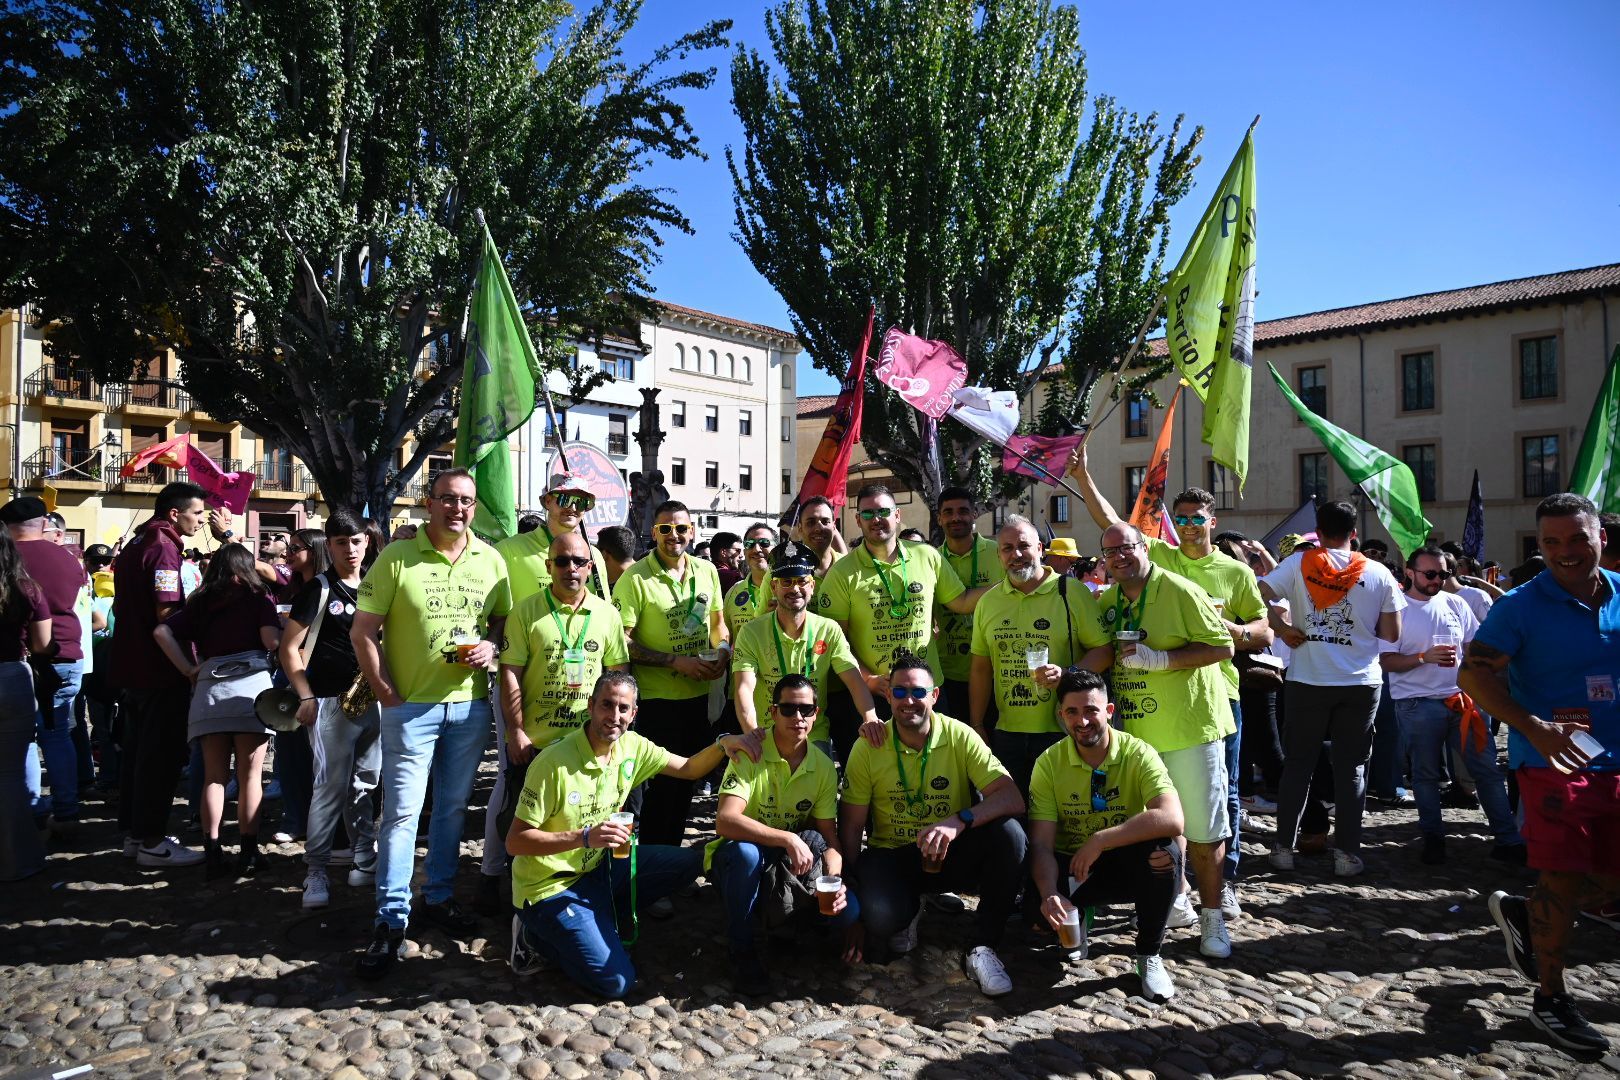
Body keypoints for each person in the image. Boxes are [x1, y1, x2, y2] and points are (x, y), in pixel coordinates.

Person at [1068, 454, 1274, 916]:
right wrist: (1082, 475)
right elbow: (1113, 524)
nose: (1187, 525)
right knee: (1162, 815)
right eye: (1178, 519)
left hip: (1206, 703)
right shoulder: (1154, 561)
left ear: (1211, 520)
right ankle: (1176, 890)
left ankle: (1218, 898)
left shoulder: (1205, 578)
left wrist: (1168, 655)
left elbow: (1251, 636)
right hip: (1141, 721)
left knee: (1215, 806)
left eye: (1195, 518)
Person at [1462, 494, 1620, 1052]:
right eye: (1551, 542)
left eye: (1577, 539)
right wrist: (1534, 728)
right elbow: (1474, 676)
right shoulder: (1521, 606)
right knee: (1566, 875)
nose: (1565, 553)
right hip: (1553, 763)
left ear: (1600, 535)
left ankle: (1527, 917)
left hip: (1616, 759)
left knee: (1610, 882)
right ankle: (1551, 999)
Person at [506, 670, 763, 996]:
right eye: (606, 705)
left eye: (623, 708)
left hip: (599, 868)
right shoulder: (553, 763)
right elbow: (515, 842)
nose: (614, 716)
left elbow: (689, 768)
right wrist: (586, 837)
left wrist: (724, 743)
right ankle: (535, 939)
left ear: (634, 713)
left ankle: (600, 918)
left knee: (688, 864)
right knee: (616, 983)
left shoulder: (632, 746)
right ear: (591, 706)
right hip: (549, 887)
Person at [350, 468, 511, 978]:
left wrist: (491, 646)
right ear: (428, 503)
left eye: (465, 501)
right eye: (447, 499)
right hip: (411, 709)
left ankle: (438, 899)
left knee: (451, 811)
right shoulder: (397, 557)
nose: (457, 509)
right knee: (401, 814)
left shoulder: (491, 560)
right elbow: (363, 632)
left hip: (470, 706)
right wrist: (386, 694)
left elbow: (502, 623)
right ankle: (390, 920)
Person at [839, 656, 1027, 996]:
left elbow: (1011, 796)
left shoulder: (960, 735)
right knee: (882, 919)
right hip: (894, 852)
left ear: (935, 696)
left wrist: (960, 821)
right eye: (899, 691)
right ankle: (908, 908)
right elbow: (851, 826)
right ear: (888, 697)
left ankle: (982, 946)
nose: (908, 700)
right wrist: (853, 903)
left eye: (917, 691)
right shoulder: (869, 744)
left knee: (1010, 835)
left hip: (950, 849)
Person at [1095, 522, 1236, 957]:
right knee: (1157, 828)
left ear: (1146, 548)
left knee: (1204, 832)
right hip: (1138, 735)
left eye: (1128, 548)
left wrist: (1163, 660)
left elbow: (1223, 646)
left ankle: (1213, 920)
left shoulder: (1178, 589)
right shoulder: (1111, 600)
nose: (1120, 557)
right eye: (1111, 551)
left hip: (1190, 730)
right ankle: (1174, 900)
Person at [1260, 501, 1404, 878]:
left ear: (1318, 532)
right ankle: (1347, 854)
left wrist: (1282, 625)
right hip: (1360, 682)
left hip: (1308, 679)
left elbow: (1258, 590)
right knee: (1352, 769)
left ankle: (1283, 849)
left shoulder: (1299, 563)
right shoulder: (1378, 572)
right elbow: (1392, 634)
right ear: (1354, 534)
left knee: (1298, 766)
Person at [1031, 670, 1186, 1002]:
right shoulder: (1048, 762)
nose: (1082, 721)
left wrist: (1100, 840)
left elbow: (1172, 818)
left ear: (1110, 711)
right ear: (1061, 715)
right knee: (1032, 913)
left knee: (1165, 853)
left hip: (1119, 861)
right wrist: (1048, 894)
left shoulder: (1138, 752)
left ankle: (1148, 955)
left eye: (1091, 710)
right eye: (1072, 712)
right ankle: (1076, 911)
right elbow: (1042, 844)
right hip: (1070, 867)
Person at [709, 675, 858, 994]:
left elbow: (829, 839)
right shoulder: (751, 751)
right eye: (788, 709)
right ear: (773, 712)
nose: (798, 717)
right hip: (742, 857)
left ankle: (786, 925)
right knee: (745, 855)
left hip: (788, 864)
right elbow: (725, 820)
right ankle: (742, 948)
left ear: (817, 714)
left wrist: (835, 880)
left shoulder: (823, 767)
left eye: (806, 709)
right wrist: (786, 838)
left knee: (851, 912)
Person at [817, 484, 984, 763]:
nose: (876, 519)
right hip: (876, 695)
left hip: (927, 691)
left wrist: (1011, 584)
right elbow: (836, 643)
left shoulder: (927, 555)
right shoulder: (842, 573)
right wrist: (868, 678)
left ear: (897, 516)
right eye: (867, 513)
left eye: (883, 511)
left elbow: (963, 601)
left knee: (938, 768)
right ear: (857, 520)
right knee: (880, 780)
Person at [1379, 545, 1524, 866]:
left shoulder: (1457, 603)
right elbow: (1386, 660)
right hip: (1417, 705)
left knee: (1486, 772)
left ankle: (1508, 840)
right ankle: (1433, 839)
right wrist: (1422, 657)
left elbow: (1474, 650)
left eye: (1444, 574)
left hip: (1464, 703)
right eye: (1430, 574)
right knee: (1426, 776)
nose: (1437, 580)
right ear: (1410, 573)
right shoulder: (1396, 609)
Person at [153, 546, 281, 878]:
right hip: (251, 690)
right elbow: (270, 642)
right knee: (251, 776)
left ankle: (212, 852)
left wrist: (188, 669)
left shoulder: (200, 601)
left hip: (210, 688)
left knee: (214, 777)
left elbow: (162, 631)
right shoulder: (258, 597)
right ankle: (249, 852)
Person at [612, 500, 728, 858]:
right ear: (653, 533)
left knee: (686, 786)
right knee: (658, 790)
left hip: (699, 698)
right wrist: (674, 662)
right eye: (665, 529)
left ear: (692, 531)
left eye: (680, 528)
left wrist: (723, 648)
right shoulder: (635, 578)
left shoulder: (706, 570)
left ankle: (667, 861)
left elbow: (717, 623)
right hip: (657, 700)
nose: (673, 535)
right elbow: (622, 642)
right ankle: (649, 864)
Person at [967, 517, 1111, 796]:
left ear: (1040, 548)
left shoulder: (1071, 592)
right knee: (1015, 814)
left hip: (1064, 729)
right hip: (1007, 732)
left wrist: (1068, 673)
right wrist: (977, 724)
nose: (1016, 554)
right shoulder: (989, 602)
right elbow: (981, 669)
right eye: (1007, 548)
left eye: (1023, 545)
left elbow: (1105, 651)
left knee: (1063, 815)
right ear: (998, 555)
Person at [281, 510, 379, 909]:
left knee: (366, 785)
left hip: (373, 700)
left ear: (366, 542)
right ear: (330, 545)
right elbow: (289, 647)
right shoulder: (319, 589)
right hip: (328, 702)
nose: (350, 550)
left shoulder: (378, 587)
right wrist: (304, 695)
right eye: (341, 542)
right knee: (328, 788)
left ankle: (363, 857)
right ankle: (316, 871)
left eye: (356, 541)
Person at [111, 481, 212, 868]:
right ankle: (153, 841)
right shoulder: (163, 550)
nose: (201, 521)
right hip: (159, 671)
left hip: (133, 667)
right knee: (160, 757)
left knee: (137, 755)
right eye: (197, 513)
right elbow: (167, 616)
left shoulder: (139, 544)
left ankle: (137, 835)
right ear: (175, 513)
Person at [731, 541, 877, 752]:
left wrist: (870, 716)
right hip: (767, 735)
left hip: (813, 735)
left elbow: (854, 680)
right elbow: (743, 688)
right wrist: (752, 733)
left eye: (801, 581)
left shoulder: (829, 629)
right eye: (787, 582)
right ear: (774, 587)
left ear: (812, 585)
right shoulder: (752, 631)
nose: (795, 588)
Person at [3, 496, 89, 829]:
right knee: (57, 735)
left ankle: (30, 806)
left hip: (20, 656)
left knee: (22, 737)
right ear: (43, 524)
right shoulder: (68, 559)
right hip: (65, 653)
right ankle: (67, 810)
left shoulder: (7, 558)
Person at [270, 528, 330, 842]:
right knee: (290, 754)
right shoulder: (287, 587)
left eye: (296, 548)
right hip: (290, 675)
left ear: (317, 550)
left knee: (323, 756)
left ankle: (322, 822)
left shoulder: (329, 588)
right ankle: (296, 818)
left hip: (321, 677)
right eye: (289, 547)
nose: (288, 553)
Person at [1, 530, 51, 881]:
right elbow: (43, 643)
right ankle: (17, 862)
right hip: (11, 676)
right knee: (9, 776)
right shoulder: (26, 588)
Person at [936, 487, 1004, 719]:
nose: (956, 517)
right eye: (948, 512)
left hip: (996, 671)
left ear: (975, 514)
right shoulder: (932, 559)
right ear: (939, 518)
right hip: (947, 674)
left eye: (963, 511)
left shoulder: (999, 553)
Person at [496, 473, 612, 604]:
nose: (572, 508)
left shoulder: (594, 555)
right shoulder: (508, 550)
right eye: (564, 499)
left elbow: (604, 609)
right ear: (548, 501)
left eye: (581, 502)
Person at [792, 496, 846, 580]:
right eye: (811, 522)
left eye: (825, 522)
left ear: (834, 527)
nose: (819, 528)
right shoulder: (781, 568)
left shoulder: (850, 566)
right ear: (800, 529)